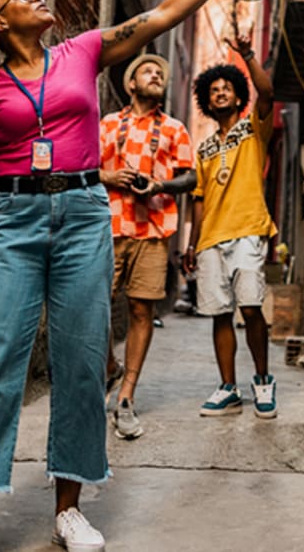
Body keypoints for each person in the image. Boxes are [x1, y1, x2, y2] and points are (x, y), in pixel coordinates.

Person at [0, 0, 259, 552]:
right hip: (12, 221)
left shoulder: (82, 53)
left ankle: (69, 507)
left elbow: (159, 16)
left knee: (82, 361)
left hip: (83, 213)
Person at [183, 30, 280, 420]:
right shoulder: (204, 148)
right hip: (211, 239)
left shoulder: (253, 129)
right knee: (219, 313)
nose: (220, 93)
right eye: (214, 90)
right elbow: (199, 199)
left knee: (251, 307)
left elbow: (268, 93)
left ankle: (262, 380)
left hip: (248, 230)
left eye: (227, 88)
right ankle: (228, 388)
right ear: (206, 100)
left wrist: (248, 55)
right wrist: (192, 244)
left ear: (239, 97)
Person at [98, 53, 196, 440]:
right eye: (148, 72)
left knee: (141, 309)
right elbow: (82, 165)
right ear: (131, 84)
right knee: (96, 305)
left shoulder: (174, 128)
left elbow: (189, 179)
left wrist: (158, 186)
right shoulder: (106, 124)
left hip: (153, 229)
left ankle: (126, 396)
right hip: (107, 226)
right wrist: (109, 175)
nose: (156, 76)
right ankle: (108, 367)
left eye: (161, 73)